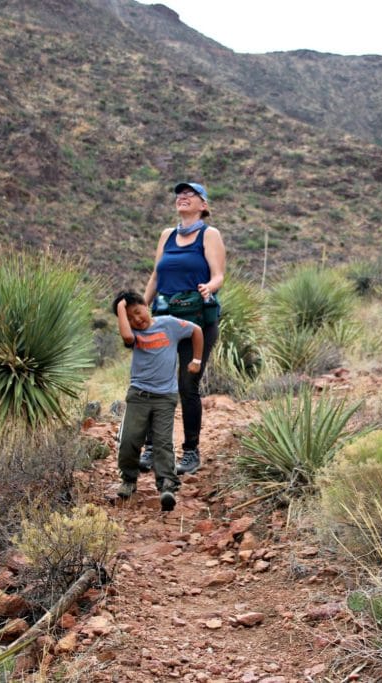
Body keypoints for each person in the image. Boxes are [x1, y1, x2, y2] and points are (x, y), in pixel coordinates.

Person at [140, 181, 225, 476]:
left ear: (204, 205)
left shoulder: (209, 234)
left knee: (187, 386)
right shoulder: (167, 235)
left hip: (197, 322)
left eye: (191, 195)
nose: (183, 198)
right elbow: (155, 276)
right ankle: (151, 448)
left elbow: (218, 275)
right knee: (155, 383)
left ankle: (190, 452)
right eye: (180, 194)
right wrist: (140, 310)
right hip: (163, 321)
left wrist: (208, 287)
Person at [112, 290, 204, 512]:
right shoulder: (132, 333)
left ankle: (167, 486)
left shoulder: (168, 324)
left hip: (165, 397)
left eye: (137, 312)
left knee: (163, 442)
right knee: (129, 440)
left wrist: (197, 359)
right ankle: (129, 480)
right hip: (139, 396)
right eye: (130, 317)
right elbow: (126, 336)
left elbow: (197, 330)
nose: (136, 319)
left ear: (146, 305)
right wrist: (120, 309)